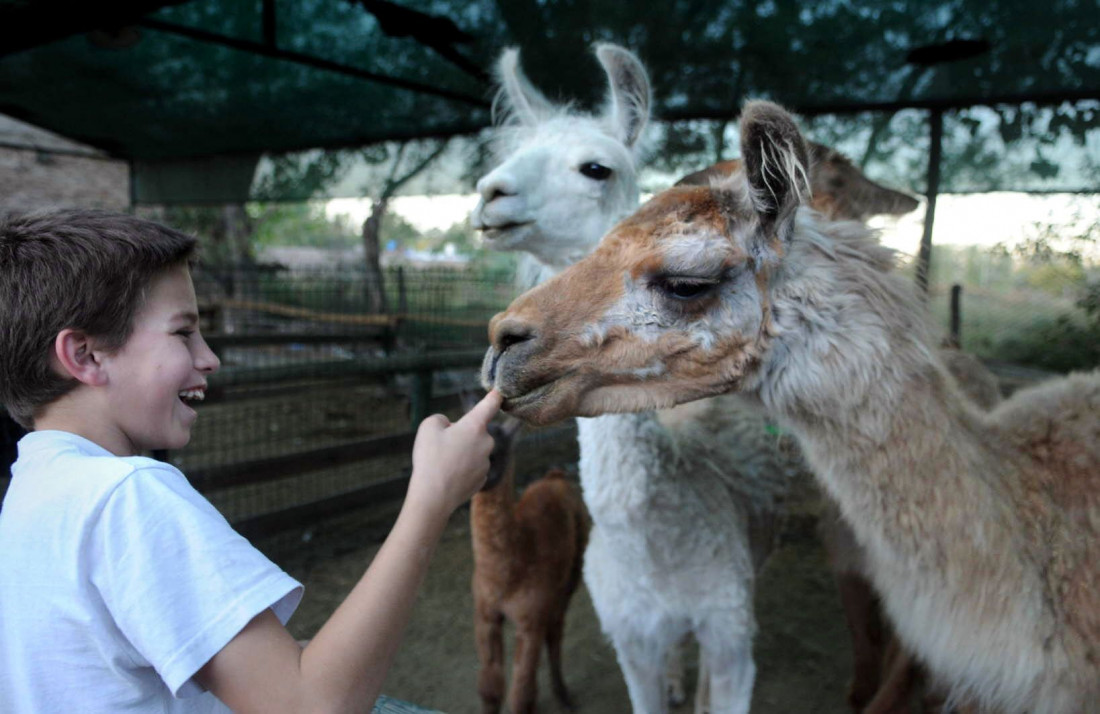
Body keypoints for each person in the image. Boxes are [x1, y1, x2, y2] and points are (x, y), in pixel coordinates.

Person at [0, 209, 501, 713]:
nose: (209, 357)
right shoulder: (125, 495)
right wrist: (432, 497)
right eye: (182, 333)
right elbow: (312, 708)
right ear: (85, 356)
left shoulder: (33, 490)